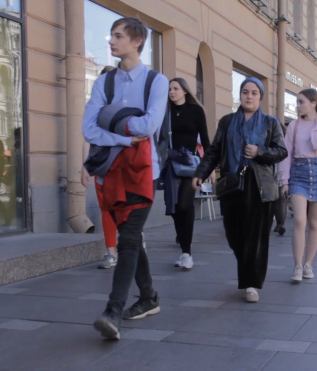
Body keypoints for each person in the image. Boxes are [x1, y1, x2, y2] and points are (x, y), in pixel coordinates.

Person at [83, 17, 169, 340]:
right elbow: (88, 128)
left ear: (136, 41)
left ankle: (113, 311)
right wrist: (122, 136)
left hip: (143, 172)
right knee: (130, 236)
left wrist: (112, 120)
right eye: (111, 36)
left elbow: (148, 127)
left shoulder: (156, 82)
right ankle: (148, 298)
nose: (111, 41)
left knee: (129, 238)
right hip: (110, 170)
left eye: (118, 36)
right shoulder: (104, 83)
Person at [192, 77, 287, 303]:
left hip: (259, 185)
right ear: (240, 95)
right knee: (234, 234)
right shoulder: (227, 122)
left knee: (256, 236)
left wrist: (260, 151)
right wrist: (200, 173)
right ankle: (247, 268)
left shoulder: (270, 123)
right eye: (245, 92)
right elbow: (214, 151)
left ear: (260, 97)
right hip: (232, 183)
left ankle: (251, 283)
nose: (249, 96)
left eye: (254, 93)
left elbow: (281, 151)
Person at [279, 89, 317, 282]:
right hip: (299, 173)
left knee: (314, 223)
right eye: (297, 101)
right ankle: (297, 265)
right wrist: (284, 180)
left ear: (313, 102)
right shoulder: (294, 125)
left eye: (301, 101)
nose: (297, 105)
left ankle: (308, 264)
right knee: (300, 221)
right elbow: (286, 154)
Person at [162, 78, 210, 270]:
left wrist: (210, 167)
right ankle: (183, 245)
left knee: (184, 204)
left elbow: (206, 140)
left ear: (184, 91)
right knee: (174, 207)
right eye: (169, 89)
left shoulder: (196, 111)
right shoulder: (166, 114)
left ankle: (187, 253)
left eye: (175, 88)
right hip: (171, 165)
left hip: (191, 165)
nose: (172, 92)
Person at [82, 65, 118, 270]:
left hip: (125, 164)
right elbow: (86, 137)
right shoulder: (93, 107)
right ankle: (111, 252)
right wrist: (85, 167)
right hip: (103, 164)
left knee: (128, 208)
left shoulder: (127, 106)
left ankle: (135, 241)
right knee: (106, 208)